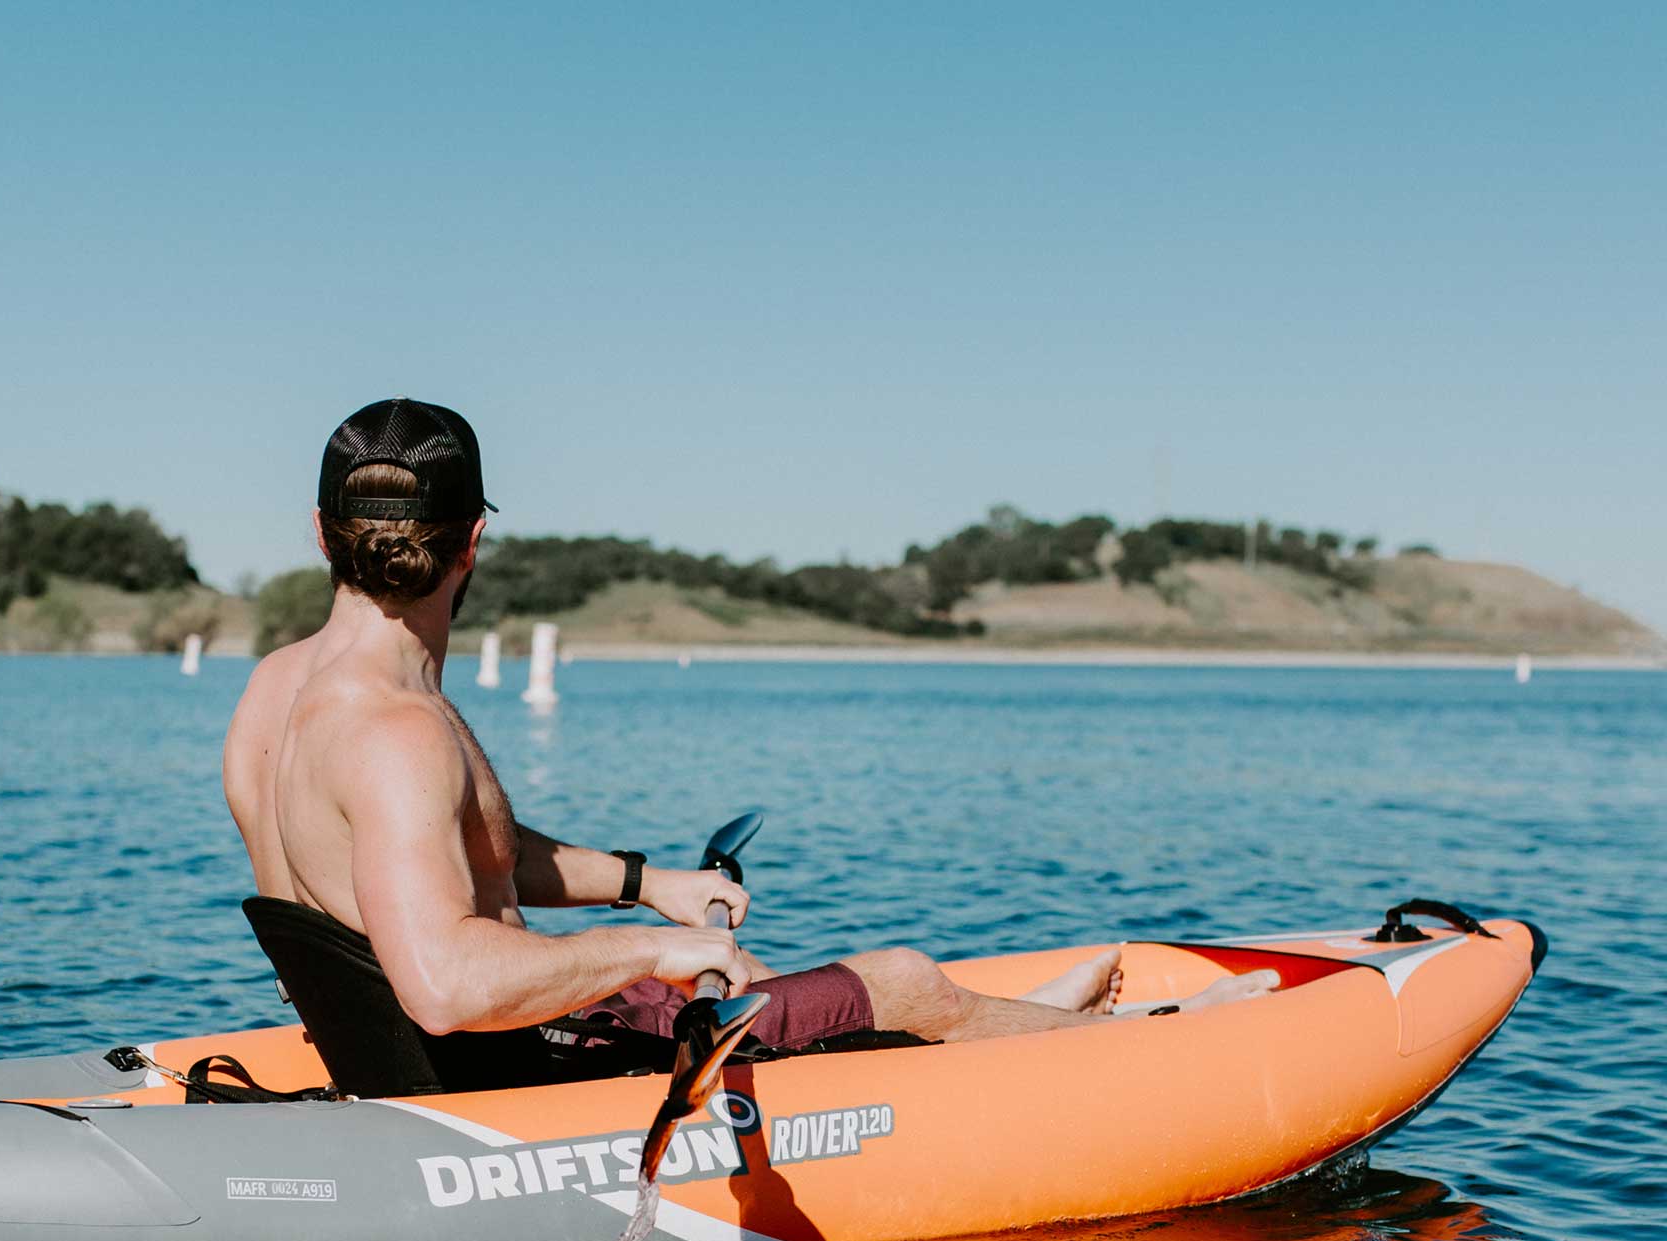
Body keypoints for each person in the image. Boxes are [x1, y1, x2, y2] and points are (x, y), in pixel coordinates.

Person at [222, 398, 1271, 1061]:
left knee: (730, 973)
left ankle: (1014, 1022)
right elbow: (444, 985)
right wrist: (654, 946)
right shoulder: (399, 734)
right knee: (895, 975)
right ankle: (1145, 1051)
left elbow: (438, 858)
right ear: (476, 541)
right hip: (500, 1084)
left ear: (320, 532)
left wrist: (650, 888)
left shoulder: (275, 696)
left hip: (426, 1059)